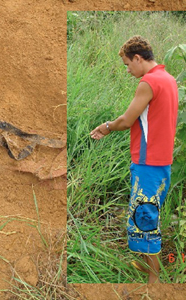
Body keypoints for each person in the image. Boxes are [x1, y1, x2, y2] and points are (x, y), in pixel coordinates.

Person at [90, 35, 178, 283]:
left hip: (148, 161)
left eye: (128, 64)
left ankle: (153, 279)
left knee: (146, 217)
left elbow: (127, 120)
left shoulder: (148, 83)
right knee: (146, 211)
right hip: (162, 161)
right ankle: (144, 263)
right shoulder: (168, 79)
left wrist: (105, 127)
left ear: (138, 58)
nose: (128, 70)